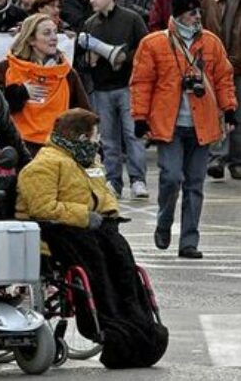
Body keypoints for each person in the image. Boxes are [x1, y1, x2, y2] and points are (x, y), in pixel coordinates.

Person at [15, 108, 168, 369]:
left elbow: (105, 194)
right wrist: (85, 216)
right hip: (53, 229)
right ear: (82, 137)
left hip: (86, 226)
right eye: (95, 136)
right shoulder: (43, 165)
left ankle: (137, 322)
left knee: (120, 254)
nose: (98, 141)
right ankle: (108, 323)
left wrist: (108, 214)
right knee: (94, 258)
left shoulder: (90, 163)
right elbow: (43, 207)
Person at [131, 0, 237, 259]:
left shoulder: (210, 43)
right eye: (192, 12)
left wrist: (230, 111)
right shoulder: (154, 43)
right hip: (170, 124)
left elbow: (224, 78)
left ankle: (189, 241)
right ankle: (164, 222)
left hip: (203, 124)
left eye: (199, 12)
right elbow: (142, 83)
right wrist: (140, 118)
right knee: (171, 178)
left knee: (195, 184)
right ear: (178, 15)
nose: (197, 17)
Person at [79, 0, 149, 198]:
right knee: (108, 139)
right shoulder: (90, 24)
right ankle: (113, 181)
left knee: (132, 135)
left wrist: (122, 59)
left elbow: (145, 48)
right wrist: (89, 60)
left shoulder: (132, 19)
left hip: (128, 86)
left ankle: (138, 180)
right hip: (102, 88)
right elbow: (81, 60)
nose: (92, 0)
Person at [0, 14, 90, 156]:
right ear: (31, 39)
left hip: (58, 149)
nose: (54, 37)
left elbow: (83, 113)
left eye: (55, 32)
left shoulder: (68, 74)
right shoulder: (4, 69)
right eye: (47, 33)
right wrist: (20, 92)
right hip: (17, 149)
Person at [203, 0, 241, 179]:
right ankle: (217, 156)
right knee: (216, 111)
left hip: (239, 66)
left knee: (238, 113)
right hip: (215, 64)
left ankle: (237, 160)